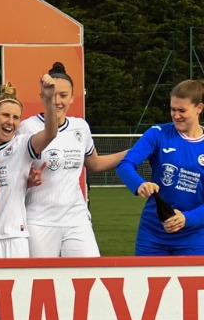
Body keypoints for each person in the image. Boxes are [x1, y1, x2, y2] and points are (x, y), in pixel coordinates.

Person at [20, 64, 126, 258]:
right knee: (42, 279)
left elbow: (94, 164)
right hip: (39, 219)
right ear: (42, 95)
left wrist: (133, 152)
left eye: (63, 95)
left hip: (75, 218)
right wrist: (27, 180)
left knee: (89, 274)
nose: (57, 101)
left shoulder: (80, 127)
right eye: (52, 95)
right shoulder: (26, 128)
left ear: (72, 97)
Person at [116, 80, 204, 256]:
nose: (176, 115)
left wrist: (187, 219)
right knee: (148, 283)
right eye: (172, 109)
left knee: (193, 284)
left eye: (182, 110)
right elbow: (125, 165)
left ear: (199, 108)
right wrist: (139, 184)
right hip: (153, 233)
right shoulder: (158, 134)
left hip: (193, 235)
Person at [0, 84, 38, 259]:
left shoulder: (22, 144)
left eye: (16, 117)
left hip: (14, 238)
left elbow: (50, 134)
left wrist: (50, 100)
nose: (10, 121)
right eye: (5, 115)